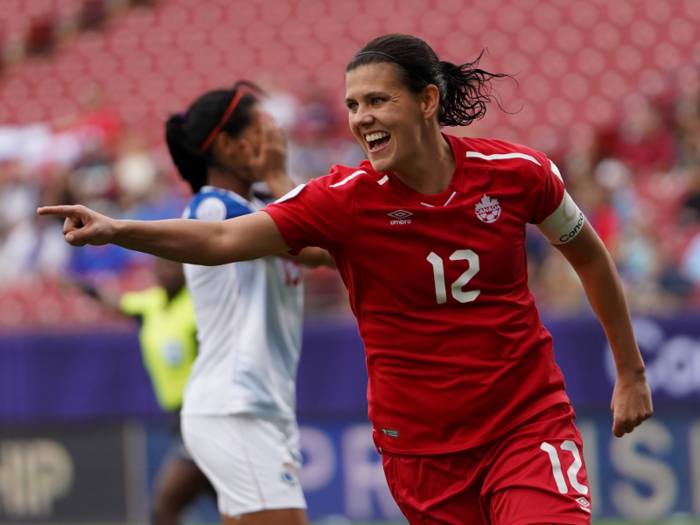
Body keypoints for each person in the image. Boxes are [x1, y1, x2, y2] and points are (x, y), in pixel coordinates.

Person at [39, 34, 653, 525]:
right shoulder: (345, 199)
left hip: (524, 424)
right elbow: (225, 238)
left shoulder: (518, 173)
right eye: (353, 106)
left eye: (377, 101)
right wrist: (117, 228)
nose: (361, 119)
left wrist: (629, 371)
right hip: (420, 451)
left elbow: (591, 257)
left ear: (427, 102)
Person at [162, 81, 332, 525]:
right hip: (236, 406)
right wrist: (279, 175)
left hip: (260, 408)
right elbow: (321, 247)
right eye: (263, 126)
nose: (276, 137)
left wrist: (277, 184)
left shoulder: (258, 204)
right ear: (227, 145)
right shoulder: (215, 209)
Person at [76, 257, 215, 525]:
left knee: (164, 507)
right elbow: (117, 303)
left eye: (174, 266)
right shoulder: (150, 304)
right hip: (179, 418)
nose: (168, 271)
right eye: (162, 266)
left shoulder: (200, 306)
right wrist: (82, 286)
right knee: (229, 503)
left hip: (203, 415)